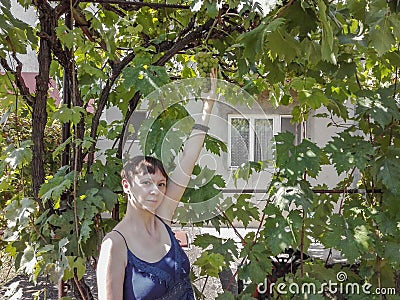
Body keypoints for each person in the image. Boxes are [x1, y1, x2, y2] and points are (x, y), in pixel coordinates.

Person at [96, 69, 218, 299]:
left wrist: (207, 109)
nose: (156, 190)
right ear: (126, 185)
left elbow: (187, 162)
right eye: (146, 182)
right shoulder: (115, 245)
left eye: (161, 184)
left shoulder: (162, 217)